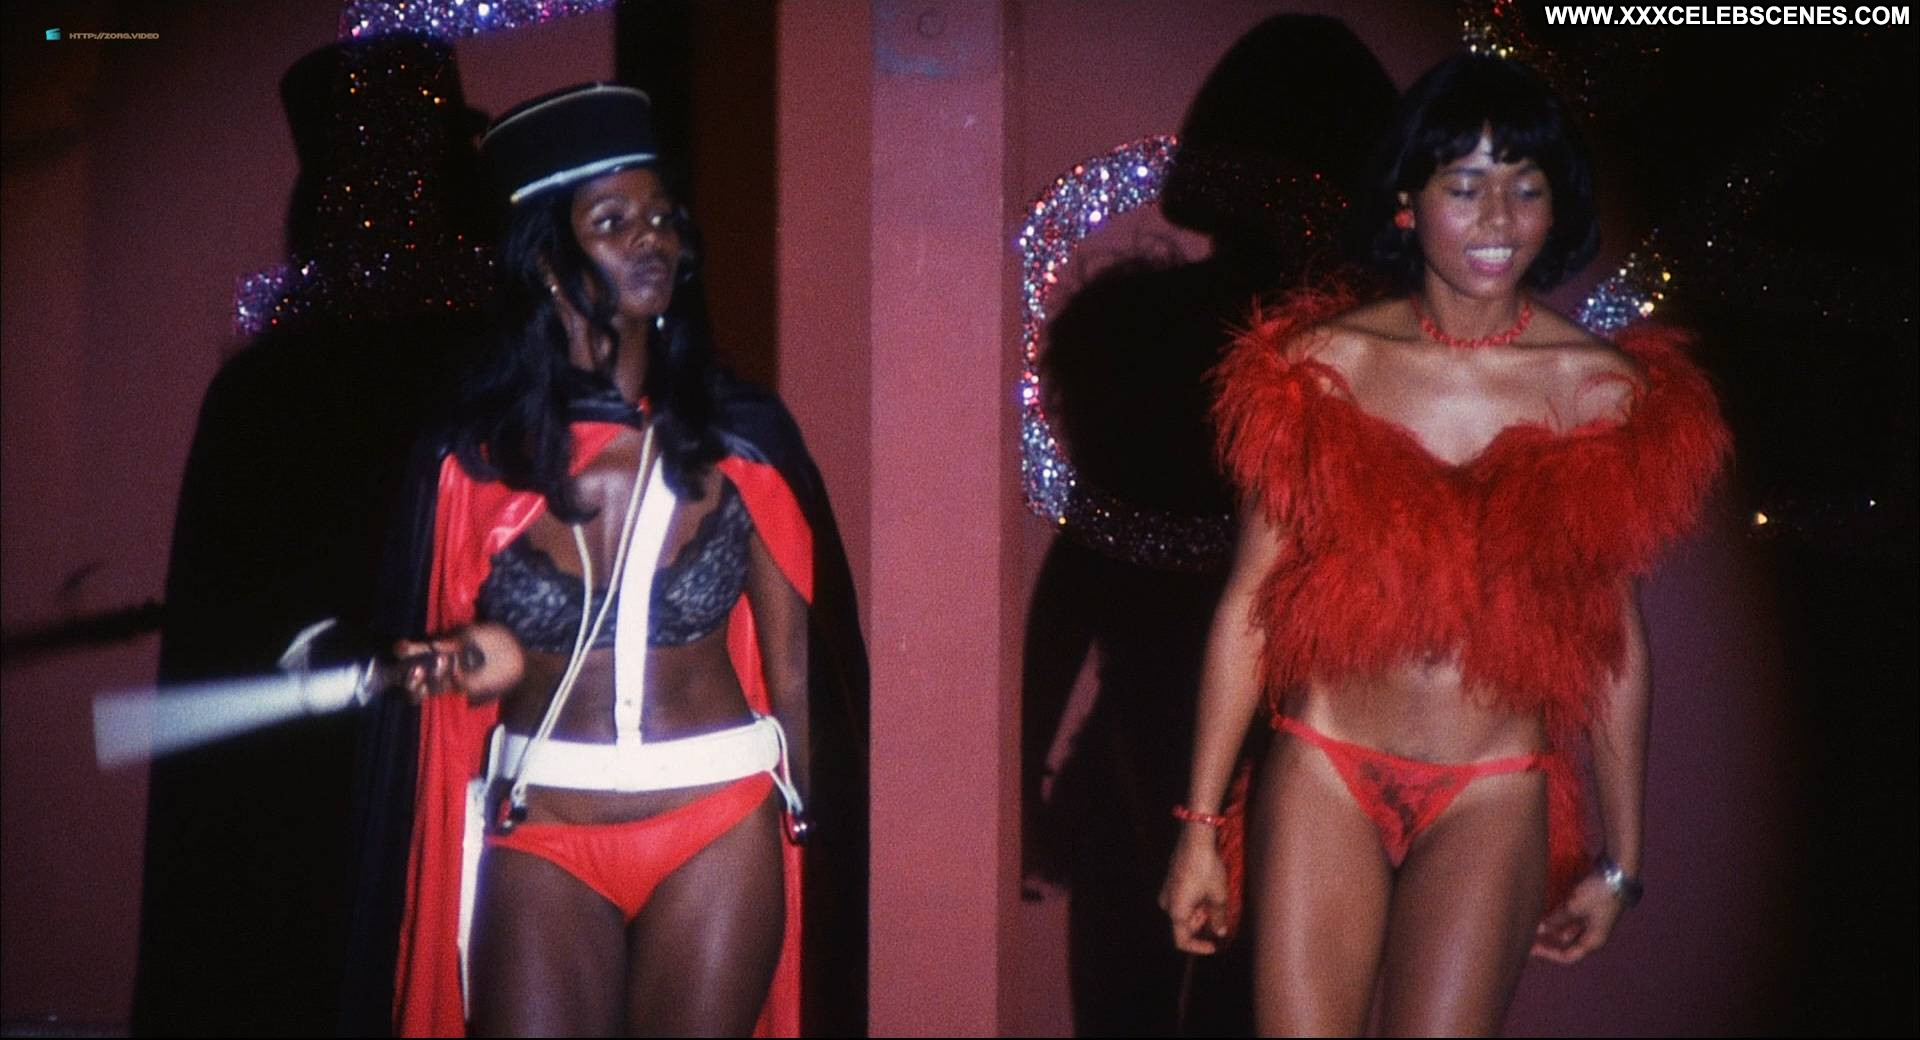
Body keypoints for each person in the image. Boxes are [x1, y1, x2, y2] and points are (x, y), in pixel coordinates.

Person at [1158, 55, 1729, 1035]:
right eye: (1464, 186)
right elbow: (1250, 605)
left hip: (1491, 790)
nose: (1498, 218)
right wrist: (1201, 829)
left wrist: (1623, 862)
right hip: (1326, 766)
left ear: (1557, 208)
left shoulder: (1606, 394)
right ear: (1407, 202)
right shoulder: (1318, 370)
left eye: (1526, 188)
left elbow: (1616, 638)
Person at [379, 83, 867, 1037]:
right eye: (612, 221)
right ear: (547, 263)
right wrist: (452, 663)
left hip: (716, 824)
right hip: (544, 826)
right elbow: (480, 665)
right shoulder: (471, 464)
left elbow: (797, 670)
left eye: (663, 218)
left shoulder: (741, 443)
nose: (653, 239)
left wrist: (830, 853)